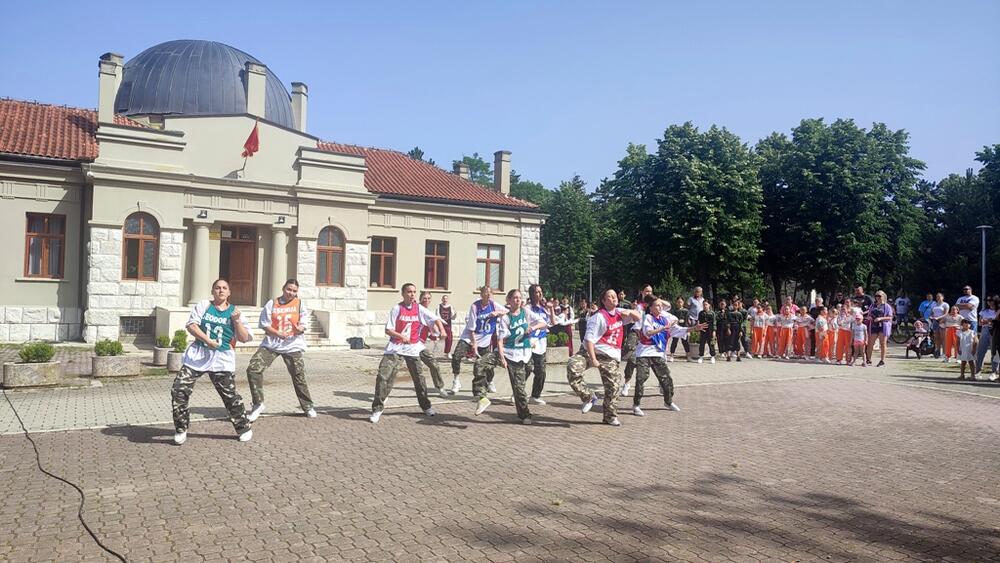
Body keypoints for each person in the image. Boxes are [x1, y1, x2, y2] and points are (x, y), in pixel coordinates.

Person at [171, 278, 253, 445]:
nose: (221, 290)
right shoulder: (204, 306)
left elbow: (244, 338)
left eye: (224, 288)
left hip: (221, 359)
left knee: (229, 396)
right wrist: (207, 340)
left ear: (229, 292)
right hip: (199, 355)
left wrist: (236, 321)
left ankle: (243, 427)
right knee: (179, 389)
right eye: (217, 288)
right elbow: (191, 325)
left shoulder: (235, 312)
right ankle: (181, 428)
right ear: (212, 291)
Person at [565, 288, 642, 426]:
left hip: (609, 355)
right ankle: (588, 397)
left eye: (614, 296)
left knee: (613, 386)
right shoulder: (598, 317)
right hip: (590, 351)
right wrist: (593, 359)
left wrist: (630, 311)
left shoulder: (620, 313)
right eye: (610, 297)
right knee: (572, 366)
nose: (613, 298)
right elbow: (589, 340)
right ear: (603, 301)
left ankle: (609, 416)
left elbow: (638, 317)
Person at [370, 283, 445, 423]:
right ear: (403, 294)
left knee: (419, 378)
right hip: (395, 347)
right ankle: (377, 409)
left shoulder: (419, 309)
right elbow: (388, 330)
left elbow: (435, 319)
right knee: (383, 376)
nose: (412, 295)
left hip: (413, 348)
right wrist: (401, 336)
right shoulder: (397, 309)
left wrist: (442, 331)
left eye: (414, 292)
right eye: (409, 292)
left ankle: (426, 406)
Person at [246, 278, 314, 422]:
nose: (291, 293)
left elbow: (304, 324)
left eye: (294, 291)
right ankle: (258, 404)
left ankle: (307, 406)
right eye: (289, 289)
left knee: (299, 375)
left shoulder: (300, 304)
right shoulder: (272, 303)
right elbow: (264, 324)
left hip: (292, 345)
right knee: (253, 369)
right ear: (283, 289)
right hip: (272, 344)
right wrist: (277, 333)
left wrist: (298, 329)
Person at [476, 289, 548, 421]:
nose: (518, 300)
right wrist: (502, 358)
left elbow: (544, 323)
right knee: (480, 363)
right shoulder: (505, 318)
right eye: (514, 298)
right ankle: (482, 398)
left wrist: (533, 328)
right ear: (508, 301)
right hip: (506, 352)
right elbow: (500, 340)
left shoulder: (526, 312)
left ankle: (525, 415)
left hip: (520, 356)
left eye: (519, 298)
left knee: (519, 389)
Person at [632, 295, 692, 416]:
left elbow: (678, 330)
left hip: (658, 353)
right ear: (651, 308)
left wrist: (694, 328)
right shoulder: (648, 317)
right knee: (641, 378)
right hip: (644, 352)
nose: (660, 307)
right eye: (657, 305)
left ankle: (668, 401)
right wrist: (662, 328)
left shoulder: (665, 318)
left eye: (661, 305)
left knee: (666, 379)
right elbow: (648, 333)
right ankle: (636, 405)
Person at [449, 286, 506, 394]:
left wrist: (497, 313)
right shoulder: (475, 306)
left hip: (484, 339)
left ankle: (490, 381)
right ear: (481, 294)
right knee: (456, 356)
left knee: (488, 364)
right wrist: (474, 344)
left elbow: (507, 312)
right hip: (469, 337)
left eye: (490, 293)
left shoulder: (494, 305)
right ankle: (456, 380)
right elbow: (471, 328)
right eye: (486, 292)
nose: (488, 294)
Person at [524, 284, 554, 405]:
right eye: (537, 292)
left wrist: (551, 308)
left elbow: (552, 322)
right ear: (532, 294)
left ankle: (535, 395)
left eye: (541, 291)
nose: (540, 294)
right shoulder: (528, 308)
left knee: (541, 371)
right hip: (530, 341)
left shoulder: (543, 309)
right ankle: (518, 392)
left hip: (541, 342)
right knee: (527, 369)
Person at [622, 284, 653, 396]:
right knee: (631, 357)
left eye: (650, 291)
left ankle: (661, 383)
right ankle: (626, 383)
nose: (648, 293)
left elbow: (667, 307)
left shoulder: (654, 305)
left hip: (650, 335)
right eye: (646, 291)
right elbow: (630, 317)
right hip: (636, 331)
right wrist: (632, 309)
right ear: (642, 292)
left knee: (656, 360)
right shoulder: (637, 304)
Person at [418, 291, 449, 397]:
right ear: (420, 299)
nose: (426, 300)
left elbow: (430, 328)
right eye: (424, 298)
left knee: (434, 364)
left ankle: (440, 387)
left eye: (428, 298)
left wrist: (437, 336)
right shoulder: (417, 309)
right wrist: (442, 330)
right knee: (393, 368)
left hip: (419, 346)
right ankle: (383, 394)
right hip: (406, 344)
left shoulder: (427, 312)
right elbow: (437, 320)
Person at [866, 291, 893, 367]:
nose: (877, 297)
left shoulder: (887, 306)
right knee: (870, 343)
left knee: (883, 343)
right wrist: (870, 317)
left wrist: (881, 318)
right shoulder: (872, 305)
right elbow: (869, 314)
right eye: (876, 295)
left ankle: (882, 361)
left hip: (882, 326)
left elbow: (890, 317)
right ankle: (869, 360)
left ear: (883, 296)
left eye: (879, 296)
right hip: (874, 325)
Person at [977, 296, 997, 375]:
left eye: (991, 300)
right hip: (985, 330)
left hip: (995, 331)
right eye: (987, 300)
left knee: (994, 352)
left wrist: (988, 321)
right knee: (981, 351)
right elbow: (980, 323)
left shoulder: (998, 311)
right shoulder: (984, 311)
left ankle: (994, 372)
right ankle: (978, 371)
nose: (989, 302)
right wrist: (990, 321)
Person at [670, 297, 691, 361]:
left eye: (681, 302)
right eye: (678, 302)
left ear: (683, 302)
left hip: (684, 328)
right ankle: (672, 356)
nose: (679, 303)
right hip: (676, 328)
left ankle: (688, 356)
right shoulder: (674, 311)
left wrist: (688, 330)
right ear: (676, 303)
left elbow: (687, 321)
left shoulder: (686, 311)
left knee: (685, 342)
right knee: (674, 341)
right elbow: (671, 319)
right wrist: (677, 321)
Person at [930, 293, 950, 358]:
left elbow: (946, 314)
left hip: (942, 321)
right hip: (935, 321)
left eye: (939, 296)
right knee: (936, 337)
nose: (938, 298)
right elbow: (932, 312)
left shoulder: (945, 304)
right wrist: (931, 316)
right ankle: (937, 352)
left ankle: (944, 353)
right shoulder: (934, 304)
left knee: (943, 338)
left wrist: (939, 318)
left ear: (942, 297)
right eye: (937, 296)